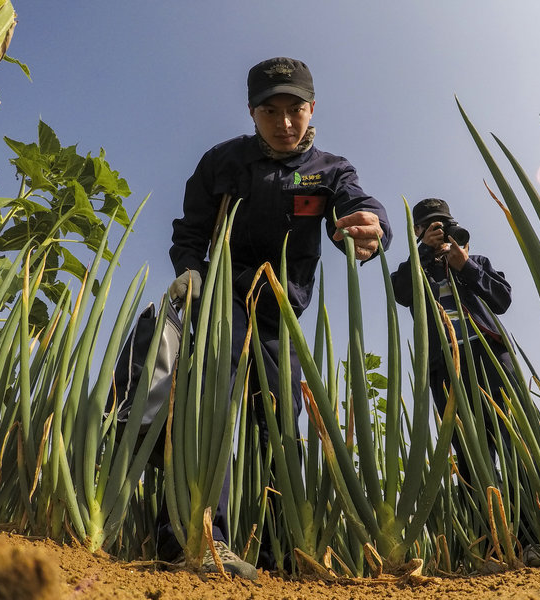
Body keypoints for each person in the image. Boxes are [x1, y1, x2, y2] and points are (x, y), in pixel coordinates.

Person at [167, 57, 391, 578]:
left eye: (296, 110)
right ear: (252, 111)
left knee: (279, 427)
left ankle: (278, 556)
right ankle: (196, 542)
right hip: (222, 302)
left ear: (312, 109)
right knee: (210, 411)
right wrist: (189, 271)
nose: (286, 123)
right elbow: (191, 231)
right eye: (272, 110)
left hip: (280, 317)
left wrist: (370, 226)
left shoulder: (330, 170)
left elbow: (359, 206)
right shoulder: (221, 162)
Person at [390, 198, 516, 484]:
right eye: (431, 226)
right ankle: (487, 521)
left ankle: (535, 520)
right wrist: (421, 254)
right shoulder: (411, 268)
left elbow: (502, 300)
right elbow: (402, 294)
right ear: (418, 231)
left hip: (491, 356)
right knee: (469, 448)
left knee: (513, 433)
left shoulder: (477, 263)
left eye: (444, 225)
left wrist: (466, 266)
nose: (440, 232)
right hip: (445, 363)